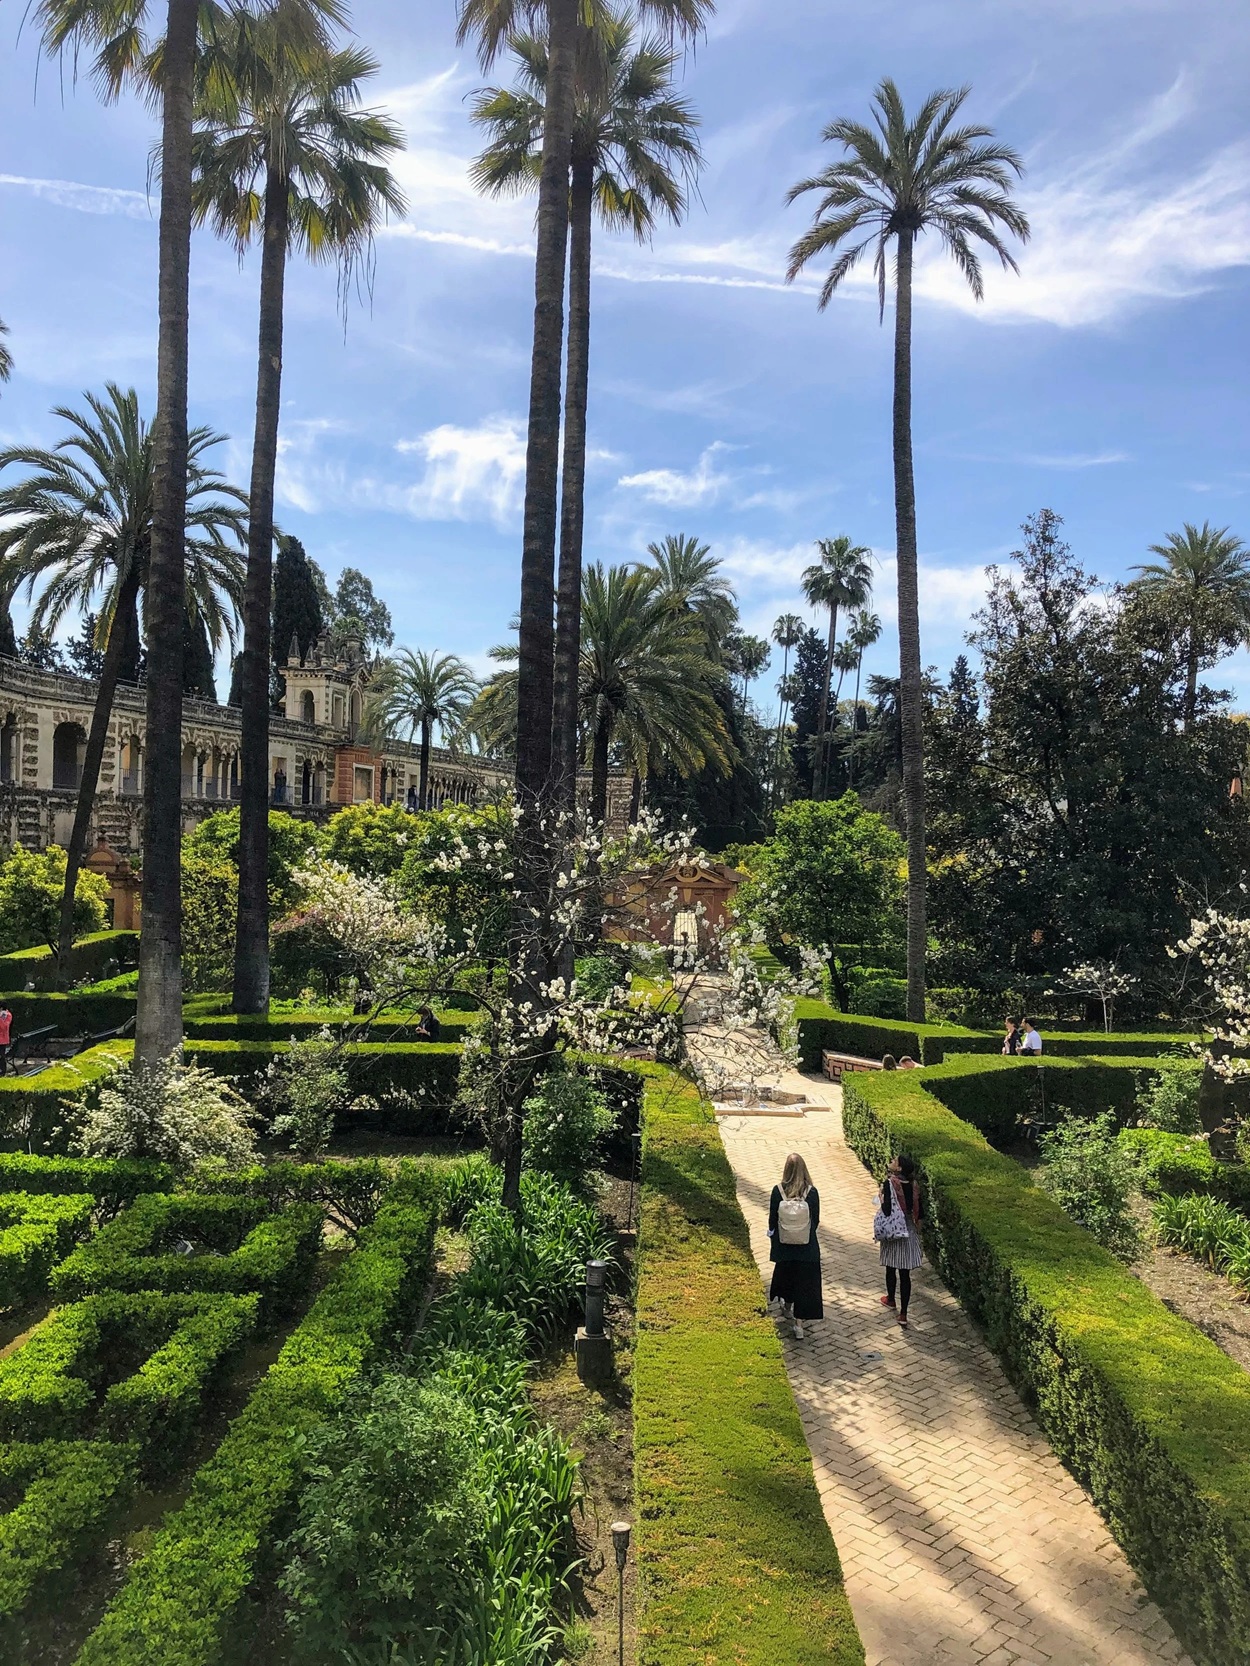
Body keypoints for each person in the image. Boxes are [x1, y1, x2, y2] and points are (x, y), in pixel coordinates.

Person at [767, 1152, 823, 1340]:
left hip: (785, 1247)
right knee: (804, 1285)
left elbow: (772, 1221)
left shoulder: (778, 1191)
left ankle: (787, 1306)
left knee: (787, 1278)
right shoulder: (811, 1192)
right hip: (806, 1248)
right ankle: (799, 1325)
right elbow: (815, 1221)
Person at [879, 1154, 923, 1327]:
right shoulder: (914, 1186)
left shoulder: (890, 1184)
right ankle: (903, 1314)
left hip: (893, 1230)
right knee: (905, 1274)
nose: (892, 1161)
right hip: (908, 1229)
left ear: (899, 1168)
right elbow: (920, 1212)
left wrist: (881, 1197)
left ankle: (891, 1299)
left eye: (895, 1161)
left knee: (891, 1266)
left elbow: (887, 1209)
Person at [0, 1003, 11, 1074]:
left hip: (2, 1039)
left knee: (2, 1055)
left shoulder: (7, 1015)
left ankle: (2, 1070)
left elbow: (4, 1027)